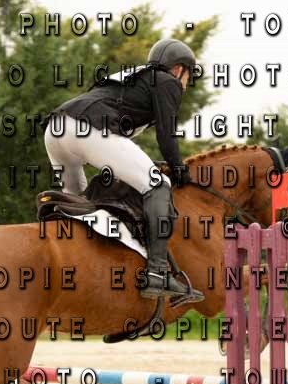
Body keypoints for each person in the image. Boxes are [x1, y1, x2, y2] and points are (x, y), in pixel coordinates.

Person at [42, 38, 202, 302]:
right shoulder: (167, 81)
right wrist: (178, 169)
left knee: (78, 202)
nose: (185, 84)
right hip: (87, 128)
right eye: (188, 77)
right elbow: (167, 136)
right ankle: (157, 272)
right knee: (158, 185)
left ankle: (71, 263)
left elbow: (120, 149)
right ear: (178, 69)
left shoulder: (135, 78)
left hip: (55, 129)